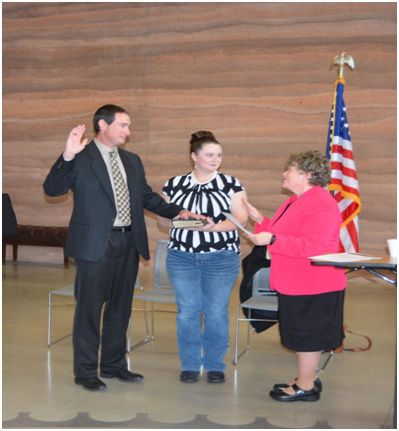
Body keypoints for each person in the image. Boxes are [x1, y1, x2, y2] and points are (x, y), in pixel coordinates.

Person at [43, 104, 202, 392]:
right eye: (123, 125)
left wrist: (177, 211)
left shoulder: (131, 160)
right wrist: (67, 155)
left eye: (129, 126)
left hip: (128, 242)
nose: (128, 131)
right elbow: (52, 189)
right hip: (95, 244)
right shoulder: (80, 158)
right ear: (103, 125)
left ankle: (114, 365)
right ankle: (86, 371)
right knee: (90, 309)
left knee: (120, 308)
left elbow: (145, 196)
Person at [243, 150, 347, 402]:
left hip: (314, 283)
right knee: (301, 333)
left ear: (307, 175)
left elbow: (316, 247)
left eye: (289, 170)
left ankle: (307, 386)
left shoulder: (321, 202)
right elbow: (286, 233)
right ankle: (305, 378)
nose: (284, 174)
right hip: (296, 281)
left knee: (307, 335)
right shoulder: (296, 200)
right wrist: (260, 219)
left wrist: (273, 239)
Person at [158, 130, 248, 384]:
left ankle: (214, 365)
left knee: (216, 312)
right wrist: (183, 221)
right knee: (187, 312)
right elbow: (163, 221)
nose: (215, 159)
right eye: (209, 154)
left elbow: (240, 219)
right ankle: (189, 364)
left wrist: (213, 227)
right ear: (194, 157)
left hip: (220, 258)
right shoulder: (174, 184)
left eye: (218, 155)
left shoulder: (231, 184)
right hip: (181, 257)